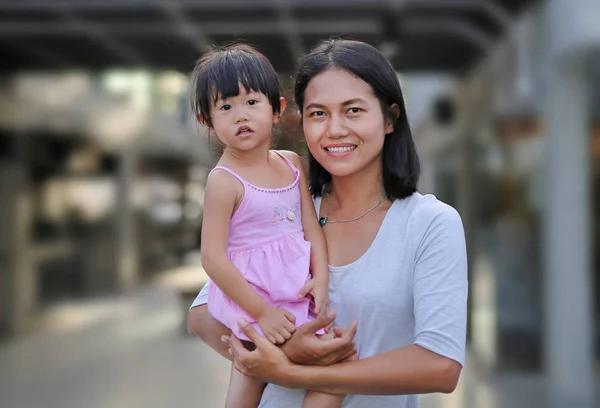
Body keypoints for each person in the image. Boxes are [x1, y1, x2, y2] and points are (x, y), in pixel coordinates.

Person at [188, 39, 468, 408]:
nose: (334, 129)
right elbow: (202, 316)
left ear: (389, 118)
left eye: (353, 110)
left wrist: (292, 371)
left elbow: (441, 367)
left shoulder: (430, 224)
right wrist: (288, 347)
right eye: (318, 113)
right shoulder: (284, 212)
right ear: (299, 120)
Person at [189, 43, 345, 408]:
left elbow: (311, 229)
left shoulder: (291, 163)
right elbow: (212, 258)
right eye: (226, 107)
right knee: (249, 378)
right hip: (252, 299)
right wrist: (261, 312)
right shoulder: (223, 181)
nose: (240, 115)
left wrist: (320, 278)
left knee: (333, 371)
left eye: (252, 103)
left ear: (277, 109)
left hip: (294, 294)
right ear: (207, 121)